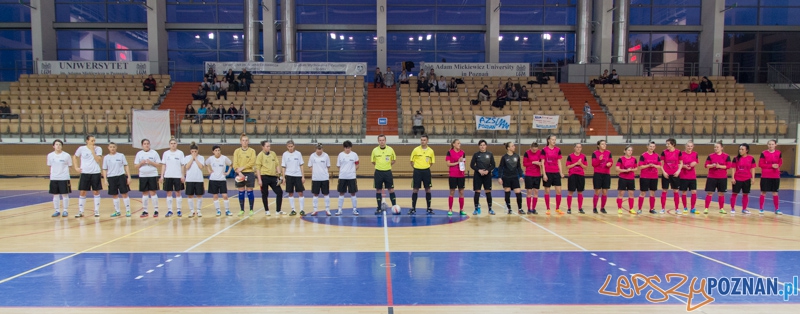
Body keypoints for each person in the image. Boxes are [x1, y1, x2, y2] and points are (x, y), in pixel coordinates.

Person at [73, 135, 103, 218]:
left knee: (96, 191)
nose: (93, 142)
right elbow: (75, 157)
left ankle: (96, 210)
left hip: (95, 172)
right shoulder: (81, 149)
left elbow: (98, 160)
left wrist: (93, 151)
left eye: (94, 140)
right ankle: (81, 211)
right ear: (87, 141)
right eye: (92, 140)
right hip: (85, 173)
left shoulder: (98, 149)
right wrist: (76, 167)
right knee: (82, 192)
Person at [103, 142, 131, 218]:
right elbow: (104, 169)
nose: (112, 148)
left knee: (124, 193)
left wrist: (129, 177)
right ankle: (117, 211)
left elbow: (126, 166)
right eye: (111, 147)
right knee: (114, 194)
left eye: (114, 147)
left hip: (121, 176)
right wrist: (105, 179)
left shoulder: (121, 155)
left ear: (116, 147)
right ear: (108, 148)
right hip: (111, 177)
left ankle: (128, 210)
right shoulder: (106, 157)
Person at [371, 134, 398, 215]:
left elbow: (393, 160)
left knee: (391, 189)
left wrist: (387, 165)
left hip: (388, 172)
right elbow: (373, 161)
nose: (382, 142)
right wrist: (380, 166)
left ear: (385, 141)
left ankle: (394, 207)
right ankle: (379, 208)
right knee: (378, 190)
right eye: (380, 140)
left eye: (383, 140)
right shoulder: (375, 150)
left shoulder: (390, 150)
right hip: (378, 172)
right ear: (378, 141)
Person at [255, 140, 284, 215]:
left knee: (279, 192)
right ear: (263, 147)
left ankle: (278, 210)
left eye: (269, 146)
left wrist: (280, 176)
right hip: (264, 176)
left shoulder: (273, 153)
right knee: (265, 193)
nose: (269, 148)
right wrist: (259, 179)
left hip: (273, 176)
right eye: (267, 146)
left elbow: (277, 165)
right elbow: (258, 168)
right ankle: (266, 210)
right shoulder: (260, 155)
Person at [410, 135, 435, 215]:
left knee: (428, 189)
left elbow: (431, 163)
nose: (422, 141)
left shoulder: (431, 151)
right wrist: (417, 168)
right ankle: (413, 208)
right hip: (417, 171)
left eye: (424, 140)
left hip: (426, 171)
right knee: (415, 189)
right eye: (421, 140)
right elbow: (411, 161)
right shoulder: (415, 150)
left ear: (427, 141)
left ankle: (429, 207)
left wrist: (425, 167)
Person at [135, 139, 161, 218]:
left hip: (152, 175)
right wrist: (141, 163)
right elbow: (135, 166)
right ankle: (145, 211)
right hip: (143, 175)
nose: (146, 145)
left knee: (153, 192)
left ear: (149, 145)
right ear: (142, 145)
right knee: (145, 193)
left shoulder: (154, 153)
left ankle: (156, 210)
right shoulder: (139, 154)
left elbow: (159, 164)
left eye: (147, 144)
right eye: (145, 144)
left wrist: (151, 162)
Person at [160, 138, 185, 217]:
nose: (173, 144)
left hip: (177, 176)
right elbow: (163, 165)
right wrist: (162, 176)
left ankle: (179, 210)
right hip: (168, 176)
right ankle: (170, 210)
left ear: (176, 144)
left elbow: (183, 165)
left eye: (174, 143)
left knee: (178, 192)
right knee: (168, 193)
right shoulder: (166, 153)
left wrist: (183, 175)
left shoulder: (180, 153)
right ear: (169, 145)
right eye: (171, 143)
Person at [205, 145, 233, 216]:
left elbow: (231, 164)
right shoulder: (211, 158)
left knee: (225, 195)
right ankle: (218, 210)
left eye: (218, 150)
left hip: (222, 179)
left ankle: (227, 210)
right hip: (213, 180)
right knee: (215, 195)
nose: (217, 152)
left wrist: (228, 172)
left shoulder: (224, 158)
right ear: (213, 152)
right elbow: (205, 164)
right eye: (216, 151)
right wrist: (209, 170)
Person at [498, 142, 525, 215]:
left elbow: (519, 167)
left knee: (518, 192)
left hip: (514, 177)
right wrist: (500, 177)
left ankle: (520, 208)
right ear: (508, 148)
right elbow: (500, 168)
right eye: (512, 146)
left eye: (514, 145)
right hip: (506, 177)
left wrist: (521, 176)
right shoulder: (504, 157)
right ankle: (509, 209)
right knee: (507, 192)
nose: (514, 147)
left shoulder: (517, 156)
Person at [233, 133, 257, 215]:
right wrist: (239, 172)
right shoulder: (237, 151)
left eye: (246, 140)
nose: (245, 142)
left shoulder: (252, 151)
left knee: (250, 190)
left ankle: (251, 209)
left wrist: (242, 167)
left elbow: (252, 162)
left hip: (249, 172)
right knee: (241, 191)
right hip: (239, 174)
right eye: (243, 140)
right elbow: (235, 164)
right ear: (240, 142)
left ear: (248, 141)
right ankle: (242, 210)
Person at [704, 141, 730, 215]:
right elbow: (706, 165)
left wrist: (719, 166)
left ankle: (721, 208)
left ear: (721, 148)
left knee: (721, 193)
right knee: (709, 192)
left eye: (717, 147)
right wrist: (712, 165)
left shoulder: (726, 156)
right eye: (715, 147)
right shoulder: (711, 156)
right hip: (712, 177)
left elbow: (728, 166)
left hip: (722, 177)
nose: (716, 148)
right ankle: (706, 208)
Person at [48, 140, 72, 218]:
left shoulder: (66, 155)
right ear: (53, 146)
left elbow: (70, 166)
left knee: (65, 194)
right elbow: (50, 166)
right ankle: (57, 210)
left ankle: (65, 210)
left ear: (62, 146)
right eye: (56, 144)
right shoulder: (50, 155)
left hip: (64, 178)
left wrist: (65, 174)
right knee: (55, 195)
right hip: (54, 178)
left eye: (59, 144)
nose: (58, 146)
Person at [471, 139, 496, 215]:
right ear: (479, 146)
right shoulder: (476, 154)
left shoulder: (490, 154)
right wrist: (479, 170)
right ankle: (476, 209)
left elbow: (493, 165)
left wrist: (487, 171)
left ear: (486, 146)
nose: (482, 146)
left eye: (484, 145)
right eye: (481, 145)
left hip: (487, 175)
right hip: (478, 175)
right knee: (477, 191)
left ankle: (490, 209)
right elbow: (472, 165)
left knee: (488, 191)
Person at [730, 143, 756, 215]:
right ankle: (732, 208)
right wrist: (733, 178)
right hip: (737, 178)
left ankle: (744, 209)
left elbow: (753, 168)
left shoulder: (751, 158)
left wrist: (753, 178)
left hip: (747, 178)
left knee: (745, 194)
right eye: (740, 149)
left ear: (746, 150)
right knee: (734, 193)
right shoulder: (736, 158)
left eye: (742, 149)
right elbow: (733, 168)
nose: (740, 151)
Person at [282, 140, 306, 216]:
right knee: (290, 193)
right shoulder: (285, 154)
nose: (290, 148)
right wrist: (283, 177)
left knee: (300, 192)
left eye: (291, 146)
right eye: (289, 147)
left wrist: (303, 176)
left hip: (298, 175)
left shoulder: (298, 154)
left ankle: (302, 210)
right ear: (287, 147)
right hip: (289, 175)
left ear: (294, 146)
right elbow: (283, 166)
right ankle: (293, 210)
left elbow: (301, 165)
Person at [542, 135, 564, 215]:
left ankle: (557, 208)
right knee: (547, 191)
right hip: (548, 172)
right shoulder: (544, 150)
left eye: (555, 139)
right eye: (552, 139)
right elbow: (542, 163)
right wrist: (544, 174)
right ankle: (548, 208)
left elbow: (559, 161)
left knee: (559, 191)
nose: (554, 141)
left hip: (556, 173)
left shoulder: (558, 150)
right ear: (548, 140)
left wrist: (561, 172)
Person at [759, 140, 782, 215]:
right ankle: (761, 208)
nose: (771, 146)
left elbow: (780, 162)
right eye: (769, 144)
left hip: (775, 176)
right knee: (763, 192)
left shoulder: (778, 153)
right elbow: (760, 164)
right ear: (767, 145)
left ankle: (777, 209)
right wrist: (770, 166)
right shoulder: (763, 153)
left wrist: (777, 165)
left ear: (775, 145)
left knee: (775, 192)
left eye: (772, 144)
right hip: (765, 175)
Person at [336, 140, 360, 216]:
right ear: (344, 148)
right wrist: (343, 172)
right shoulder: (340, 155)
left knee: (353, 193)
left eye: (349, 148)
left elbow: (357, 164)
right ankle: (339, 209)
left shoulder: (354, 155)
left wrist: (352, 171)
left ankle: (354, 209)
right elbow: (338, 166)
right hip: (342, 177)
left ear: (351, 148)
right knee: (341, 193)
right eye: (346, 148)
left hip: (352, 177)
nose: (347, 149)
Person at [660, 138, 683, 214]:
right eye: (666, 144)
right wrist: (663, 172)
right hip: (666, 174)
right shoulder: (664, 152)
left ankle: (677, 209)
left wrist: (678, 171)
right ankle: (662, 208)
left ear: (673, 144)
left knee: (676, 191)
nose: (667, 145)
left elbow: (681, 163)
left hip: (675, 174)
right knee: (664, 190)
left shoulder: (678, 152)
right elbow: (661, 164)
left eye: (668, 144)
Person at [638, 141, 661, 214]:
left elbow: (659, 166)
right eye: (650, 146)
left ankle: (652, 208)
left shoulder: (657, 156)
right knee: (643, 192)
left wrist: (653, 165)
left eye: (653, 146)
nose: (652, 148)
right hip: (644, 176)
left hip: (654, 176)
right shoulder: (643, 155)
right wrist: (648, 165)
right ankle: (639, 209)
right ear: (647, 146)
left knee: (652, 193)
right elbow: (641, 166)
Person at [445, 139, 467, 216]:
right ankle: (450, 209)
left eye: (460, 143)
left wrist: (461, 162)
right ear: (453, 144)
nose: (459, 144)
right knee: (452, 192)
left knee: (461, 192)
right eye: (458, 143)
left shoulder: (463, 152)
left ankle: (461, 209)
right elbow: (448, 164)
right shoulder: (449, 152)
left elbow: (463, 163)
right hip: (453, 175)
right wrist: (457, 162)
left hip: (461, 175)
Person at [308, 144, 332, 216]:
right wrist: (315, 172)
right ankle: (315, 210)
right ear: (315, 149)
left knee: (326, 193)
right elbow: (310, 166)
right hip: (315, 179)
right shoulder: (312, 156)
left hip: (324, 178)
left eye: (320, 149)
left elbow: (328, 166)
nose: (319, 150)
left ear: (322, 149)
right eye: (318, 149)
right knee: (315, 194)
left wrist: (323, 173)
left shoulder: (326, 156)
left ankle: (327, 210)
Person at [183, 142, 205, 218]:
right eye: (192, 151)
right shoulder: (187, 157)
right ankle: (191, 211)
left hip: (199, 179)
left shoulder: (201, 157)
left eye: (195, 151)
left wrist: (196, 158)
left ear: (197, 151)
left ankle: (198, 210)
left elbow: (201, 167)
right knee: (190, 195)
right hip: (190, 179)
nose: (194, 153)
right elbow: (187, 167)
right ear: (190, 151)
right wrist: (192, 158)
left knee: (199, 195)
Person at [565, 143, 587, 215]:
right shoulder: (570, 156)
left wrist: (580, 164)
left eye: (579, 147)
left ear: (581, 148)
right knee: (570, 192)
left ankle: (580, 208)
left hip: (580, 175)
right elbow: (567, 166)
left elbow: (585, 167)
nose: (578, 148)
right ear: (574, 148)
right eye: (577, 147)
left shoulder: (583, 156)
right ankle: (569, 208)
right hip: (572, 175)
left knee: (580, 192)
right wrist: (576, 163)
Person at [592, 140, 613, 214]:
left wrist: (609, 164)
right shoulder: (595, 153)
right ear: (598, 146)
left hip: (606, 174)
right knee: (597, 191)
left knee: (604, 191)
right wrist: (599, 160)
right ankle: (594, 208)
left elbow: (611, 161)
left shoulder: (608, 153)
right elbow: (594, 164)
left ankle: (602, 208)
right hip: (598, 174)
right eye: (602, 144)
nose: (604, 145)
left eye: (605, 144)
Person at [523, 142, 544, 215]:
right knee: (529, 191)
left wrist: (541, 164)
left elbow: (542, 162)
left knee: (536, 191)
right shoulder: (527, 153)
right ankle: (529, 209)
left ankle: (533, 208)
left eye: (536, 149)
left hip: (537, 175)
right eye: (533, 149)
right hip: (529, 174)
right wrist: (533, 162)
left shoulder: (540, 152)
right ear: (531, 148)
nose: (535, 151)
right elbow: (524, 164)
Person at [615, 146, 638, 214]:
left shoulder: (634, 159)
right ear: (625, 151)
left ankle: (631, 208)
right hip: (623, 178)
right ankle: (619, 208)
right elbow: (617, 169)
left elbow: (636, 168)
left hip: (631, 178)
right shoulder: (621, 159)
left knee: (631, 193)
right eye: (628, 150)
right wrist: (625, 170)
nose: (630, 152)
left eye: (631, 150)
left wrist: (631, 169)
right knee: (621, 193)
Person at [679, 141, 699, 214]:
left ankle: (693, 208)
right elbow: (678, 164)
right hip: (683, 176)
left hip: (692, 176)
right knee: (684, 192)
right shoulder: (681, 154)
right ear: (685, 146)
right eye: (688, 146)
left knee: (694, 191)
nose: (689, 147)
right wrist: (684, 166)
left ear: (693, 147)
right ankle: (685, 207)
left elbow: (696, 161)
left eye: (691, 146)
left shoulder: (695, 154)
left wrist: (694, 163)